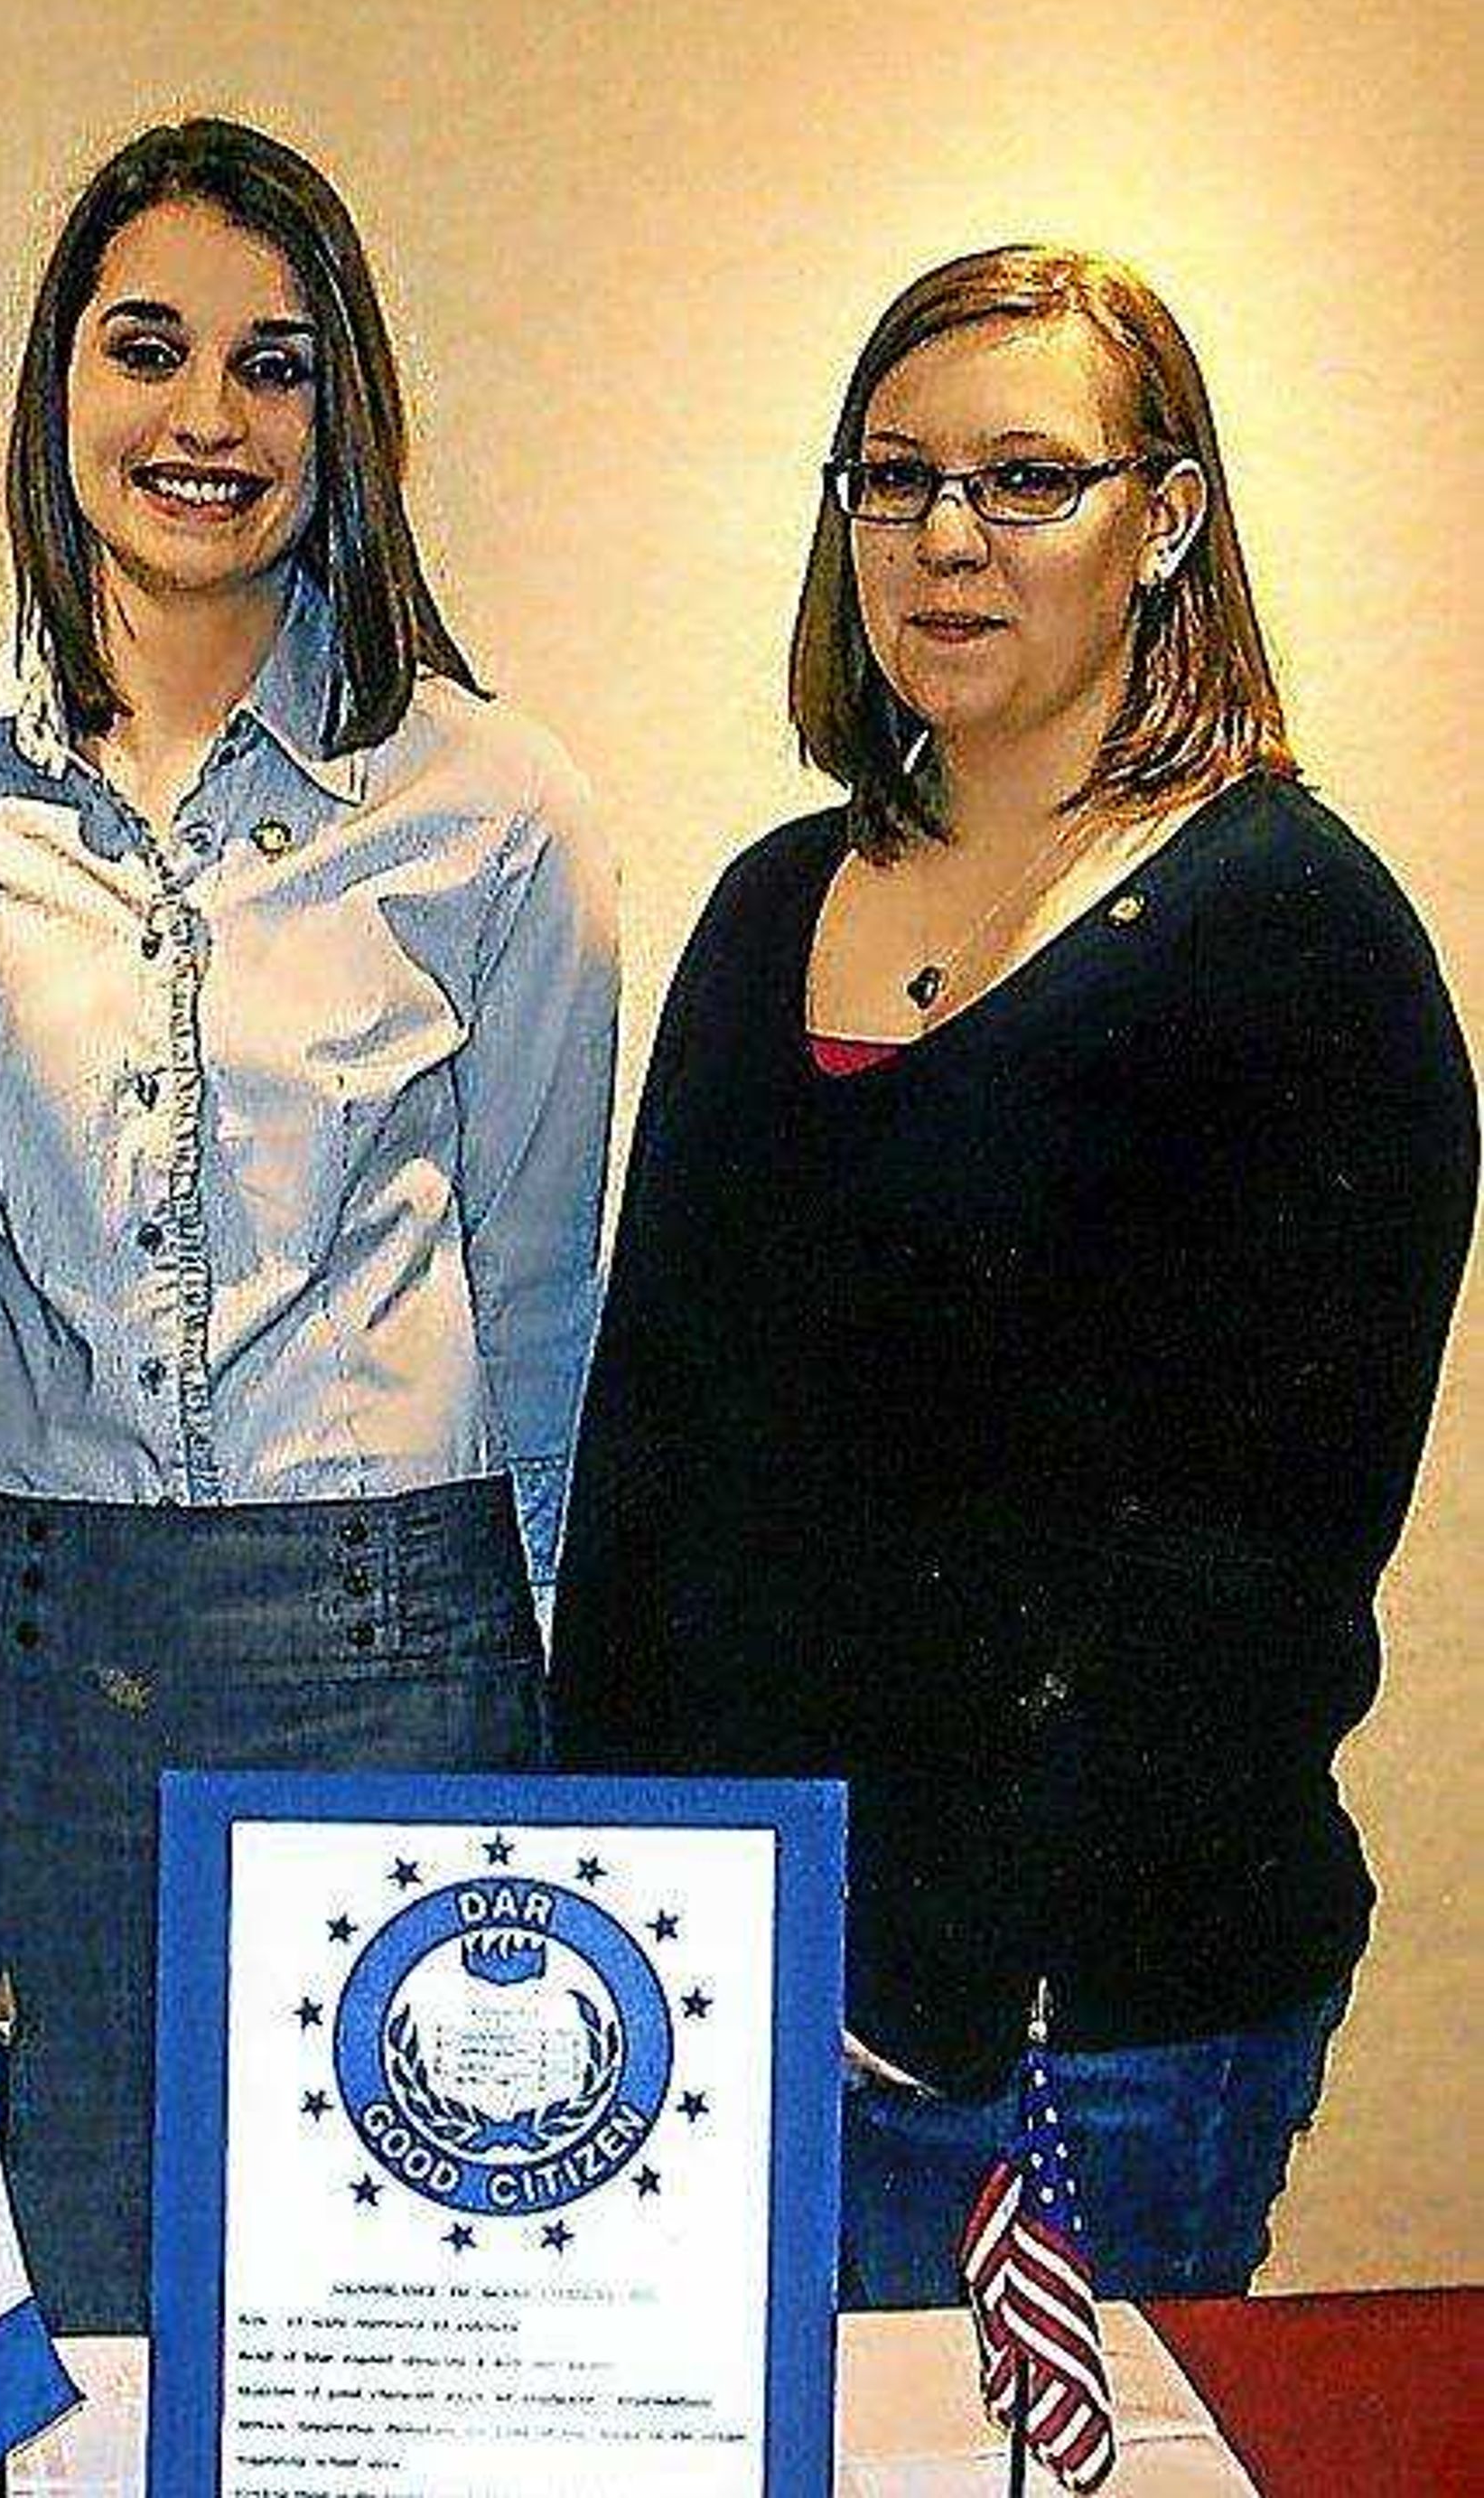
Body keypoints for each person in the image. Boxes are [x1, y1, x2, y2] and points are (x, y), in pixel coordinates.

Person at [551, 245, 1476, 2306]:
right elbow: (655, 1466)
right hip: (719, 2000)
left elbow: (1253, 1575)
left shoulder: (1294, 942)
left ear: (1166, 518)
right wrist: (605, 1902)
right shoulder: (773, 902)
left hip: (1085, 2026)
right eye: (891, 481)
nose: (945, 539)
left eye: (1023, 478)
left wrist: (940, 1970)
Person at [0, 118, 618, 2330]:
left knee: (412, 2309)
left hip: (402, 1635)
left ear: (344, 412)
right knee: (56, 2304)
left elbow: (540, 1301)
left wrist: (546, 1678)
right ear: (57, 388)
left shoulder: (496, 806)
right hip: (37, 1643)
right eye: (146, 349)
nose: (205, 421)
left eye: (274, 364)